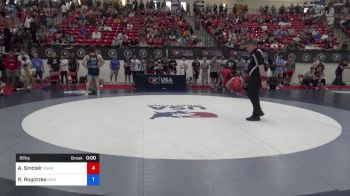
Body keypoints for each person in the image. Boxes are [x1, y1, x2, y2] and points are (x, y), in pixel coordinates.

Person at [245, 40, 268, 121]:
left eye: (248, 47)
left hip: (256, 77)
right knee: (252, 94)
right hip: (254, 77)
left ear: (254, 46)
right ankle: (258, 111)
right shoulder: (256, 53)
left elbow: (261, 66)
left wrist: (263, 80)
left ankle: (256, 115)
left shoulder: (256, 53)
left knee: (252, 94)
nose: (246, 49)